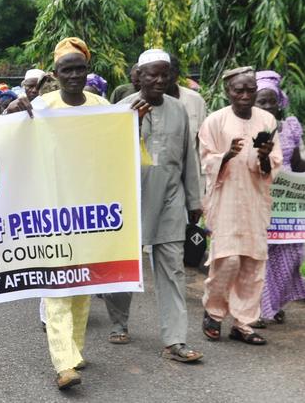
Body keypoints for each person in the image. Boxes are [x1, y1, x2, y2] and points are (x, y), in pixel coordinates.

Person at [105, 49, 203, 363]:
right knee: (124, 266)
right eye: (152, 74)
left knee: (173, 269)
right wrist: (133, 124)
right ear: (139, 76)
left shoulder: (178, 110)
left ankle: (175, 340)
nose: (159, 80)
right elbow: (109, 157)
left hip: (170, 200)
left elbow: (188, 156)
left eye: (165, 74)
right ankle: (119, 322)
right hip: (130, 200)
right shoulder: (121, 109)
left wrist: (194, 200)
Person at [31, 38, 109, 390]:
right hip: (51, 212)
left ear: (87, 71)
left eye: (80, 68)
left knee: (82, 287)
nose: (75, 74)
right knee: (57, 287)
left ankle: (75, 352)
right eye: (67, 69)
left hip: (90, 213)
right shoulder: (41, 106)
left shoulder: (102, 105)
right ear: (55, 74)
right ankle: (63, 363)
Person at [200, 67, 282, 345]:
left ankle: (244, 323)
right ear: (228, 92)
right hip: (225, 200)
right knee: (228, 259)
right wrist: (225, 155)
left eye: (250, 90)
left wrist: (264, 157)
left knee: (251, 261)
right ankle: (213, 311)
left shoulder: (267, 119)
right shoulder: (215, 121)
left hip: (255, 200)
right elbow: (205, 160)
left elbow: (274, 165)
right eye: (239, 90)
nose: (245, 95)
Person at [254, 70, 305, 327]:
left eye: (270, 101)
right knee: (261, 254)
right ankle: (261, 308)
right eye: (260, 101)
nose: (266, 106)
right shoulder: (249, 129)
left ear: (279, 102)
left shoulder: (291, 126)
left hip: (288, 204)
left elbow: (297, 164)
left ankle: (275, 302)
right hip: (259, 198)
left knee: (291, 252)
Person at [165, 56, 209, 194]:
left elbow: (203, 145)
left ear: (177, 73)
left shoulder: (195, 100)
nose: (162, 78)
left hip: (189, 180)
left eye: (167, 72)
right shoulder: (134, 103)